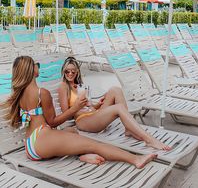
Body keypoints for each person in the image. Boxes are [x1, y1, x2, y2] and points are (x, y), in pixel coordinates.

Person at [2, 56, 157, 168]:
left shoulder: (19, 94)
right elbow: (53, 122)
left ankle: (82, 155)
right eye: (35, 64)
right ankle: (135, 159)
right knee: (94, 144)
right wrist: (75, 108)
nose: (38, 66)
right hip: (41, 140)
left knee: (73, 132)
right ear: (31, 70)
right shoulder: (41, 93)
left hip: (32, 141)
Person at [58, 56, 171, 151]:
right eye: (67, 71)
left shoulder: (80, 86)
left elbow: (89, 106)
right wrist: (77, 106)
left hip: (93, 114)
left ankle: (128, 129)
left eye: (73, 71)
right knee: (119, 108)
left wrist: (97, 104)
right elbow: (65, 114)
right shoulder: (63, 87)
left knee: (115, 89)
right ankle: (150, 140)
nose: (70, 74)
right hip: (83, 121)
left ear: (77, 71)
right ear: (63, 72)